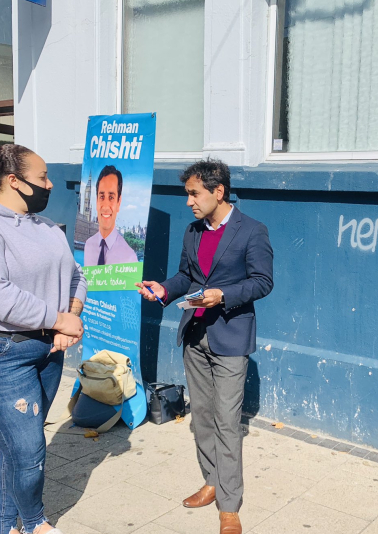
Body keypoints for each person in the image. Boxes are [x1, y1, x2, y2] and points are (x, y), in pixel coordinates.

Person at [0, 134, 86, 534]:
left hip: (47, 349)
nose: (50, 184)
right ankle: (36, 522)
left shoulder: (45, 226)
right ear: (13, 180)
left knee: (17, 445)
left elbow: (77, 276)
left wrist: (68, 318)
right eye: (43, 176)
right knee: (27, 450)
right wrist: (57, 320)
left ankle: (6, 527)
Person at [138, 159, 273, 534]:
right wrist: (164, 289)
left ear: (219, 191)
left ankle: (230, 506)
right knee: (201, 417)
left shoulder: (252, 231)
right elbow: (186, 276)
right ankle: (212, 481)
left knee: (228, 421)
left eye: (194, 194)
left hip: (230, 336)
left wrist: (222, 295)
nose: (188, 202)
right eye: (187, 194)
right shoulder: (193, 232)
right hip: (194, 335)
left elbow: (263, 282)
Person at [83, 165, 138, 266]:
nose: (106, 206)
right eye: (102, 197)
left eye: (111, 197)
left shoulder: (129, 257)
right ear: (96, 201)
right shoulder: (88, 245)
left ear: (119, 202)